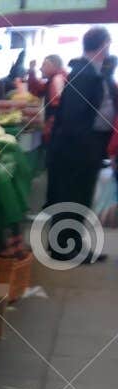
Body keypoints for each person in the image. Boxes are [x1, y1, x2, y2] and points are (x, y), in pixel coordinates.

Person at [44, 27, 116, 263]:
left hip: (84, 148)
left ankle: (71, 245)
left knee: (78, 198)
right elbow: (75, 119)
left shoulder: (91, 72)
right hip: (77, 151)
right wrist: (90, 149)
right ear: (104, 44)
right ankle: (64, 248)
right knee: (71, 198)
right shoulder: (85, 74)